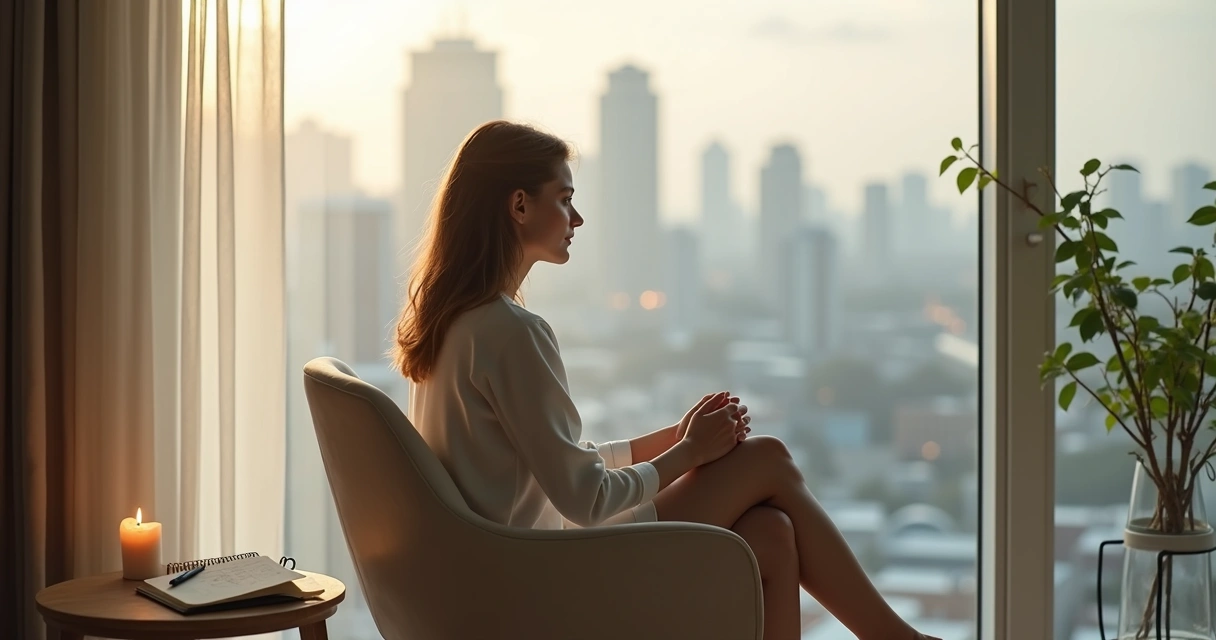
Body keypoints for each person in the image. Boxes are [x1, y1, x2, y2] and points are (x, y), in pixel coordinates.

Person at [393, 120, 942, 640]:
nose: (577, 219)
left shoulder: (452, 323)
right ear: (518, 205)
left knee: (771, 536)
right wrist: (687, 455)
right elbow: (585, 498)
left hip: (508, 569)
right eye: (563, 199)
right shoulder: (512, 332)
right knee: (767, 458)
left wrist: (678, 439)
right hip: (546, 578)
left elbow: (554, 465)